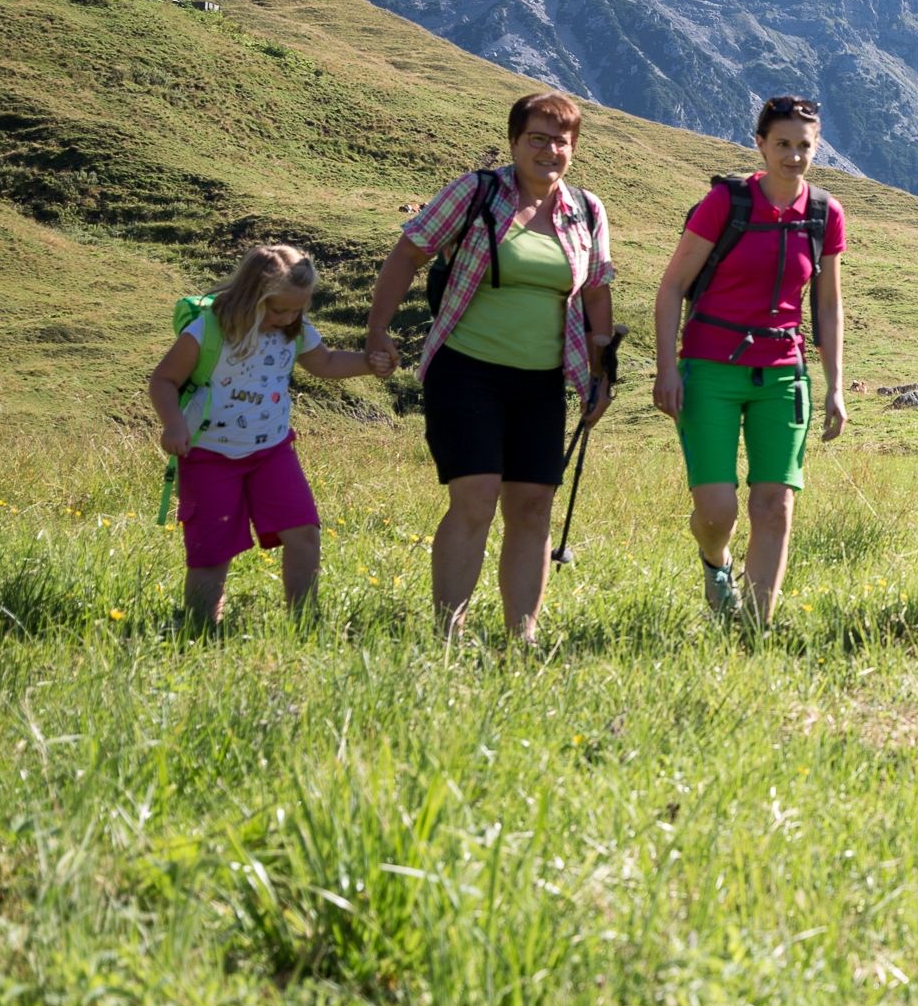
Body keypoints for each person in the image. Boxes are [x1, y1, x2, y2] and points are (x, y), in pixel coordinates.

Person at [362, 90, 617, 642]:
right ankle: (447, 633)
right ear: (514, 141)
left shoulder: (587, 211)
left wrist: (600, 376)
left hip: (543, 380)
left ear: (574, 148)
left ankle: (521, 636)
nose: (549, 151)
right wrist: (378, 328)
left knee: (532, 507)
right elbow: (410, 251)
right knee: (475, 497)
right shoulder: (476, 193)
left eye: (561, 141)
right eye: (537, 139)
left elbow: (597, 292)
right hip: (466, 370)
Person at [652, 96, 848, 625]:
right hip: (709, 369)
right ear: (760, 144)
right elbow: (672, 287)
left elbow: (828, 305)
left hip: (783, 373)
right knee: (718, 512)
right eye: (782, 144)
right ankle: (716, 561)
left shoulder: (824, 213)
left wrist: (835, 385)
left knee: (775, 505)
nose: (793, 156)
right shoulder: (726, 203)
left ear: (816, 148)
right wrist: (667, 368)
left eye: (804, 145)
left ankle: (755, 627)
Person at [145, 245, 384, 628]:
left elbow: (325, 363)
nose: (287, 318)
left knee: (304, 533)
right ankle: (201, 628)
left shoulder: (294, 330)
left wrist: (370, 364)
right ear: (250, 296)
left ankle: (304, 622)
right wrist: (173, 424)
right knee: (210, 553)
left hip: (272, 451)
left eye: (297, 310)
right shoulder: (208, 330)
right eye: (278, 309)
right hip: (207, 455)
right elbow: (164, 380)